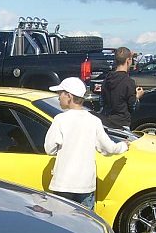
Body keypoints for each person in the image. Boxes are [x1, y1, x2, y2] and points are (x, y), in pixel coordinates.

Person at [44, 77, 129, 210]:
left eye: (60, 94)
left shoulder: (60, 120)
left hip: (63, 184)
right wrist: (123, 146)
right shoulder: (93, 121)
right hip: (85, 185)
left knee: (62, 224)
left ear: (69, 96)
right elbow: (109, 148)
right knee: (85, 226)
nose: (58, 97)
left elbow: (49, 149)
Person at [100, 46, 145, 129]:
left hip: (105, 122)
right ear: (128, 61)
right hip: (121, 125)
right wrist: (137, 96)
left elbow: (102, 102)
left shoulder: (106, 79)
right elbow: (133, 107)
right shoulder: (128, 82)